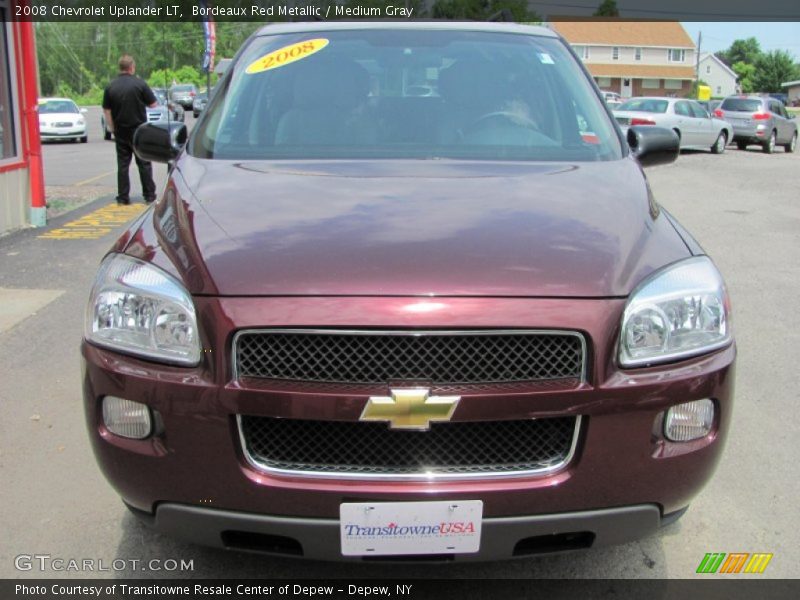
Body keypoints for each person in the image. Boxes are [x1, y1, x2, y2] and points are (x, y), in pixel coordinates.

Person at [102, 54, 158, 205]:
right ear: (132, 67)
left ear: (120, 68)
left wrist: (112, 128)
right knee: (144, 162)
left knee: (123, 164)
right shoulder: (139, 84)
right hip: (139, 130)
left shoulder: (111, 86)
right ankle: (149, 194)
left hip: (120, 130)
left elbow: (106, 110)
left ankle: (123, 197)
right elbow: (153, 104)